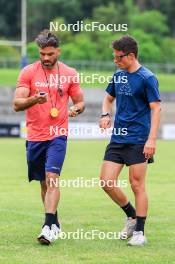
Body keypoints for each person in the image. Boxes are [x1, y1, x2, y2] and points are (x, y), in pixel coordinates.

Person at [13, 29, 85, 245]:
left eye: (50, 54)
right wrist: (34, 99)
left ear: (58, 51)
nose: (46, 58)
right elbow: (16, 104)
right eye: (42, 54)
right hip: (35, 135)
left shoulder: (70, 73)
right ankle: (55, 222)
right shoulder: (28, 71)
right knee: (43, 183)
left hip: (58, 134)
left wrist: (76, 109)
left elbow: (80, 102)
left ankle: (47, 226)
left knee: (52, 177)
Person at [99, 35, 161, 246]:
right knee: (106, 182)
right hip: (118, 139)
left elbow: (156, 109)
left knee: (137, 185)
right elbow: (108, 99)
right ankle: (131, 215)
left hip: (139, 140)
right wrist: (105, 115)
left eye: (119, 57)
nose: (115, 61)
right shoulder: (118, 75)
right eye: (114, 57)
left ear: (131, 56)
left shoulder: (147, 78)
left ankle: (139, 233)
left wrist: (151, 140)